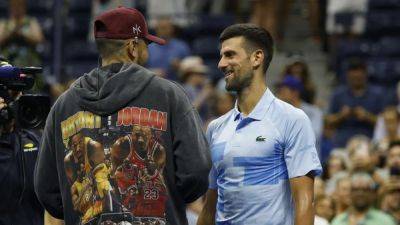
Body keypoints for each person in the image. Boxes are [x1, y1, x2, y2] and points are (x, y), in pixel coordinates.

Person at [34, 7, 211, 225]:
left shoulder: (63, 105)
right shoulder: (169, 95)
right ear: (133, 47)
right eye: (147, 44)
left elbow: (46, 190)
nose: (149, 51)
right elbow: (196, 173)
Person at [197, 24, 322, 225]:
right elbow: (210, 206)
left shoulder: (292, 120)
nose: (221, 64)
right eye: (221, 56)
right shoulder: (215, 128)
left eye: (230, 55)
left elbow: (305, 202)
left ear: (257, 58)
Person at [326, 59, 384, 147]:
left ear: (365, 75)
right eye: (353, 78)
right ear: (348, 76)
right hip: (342, 142)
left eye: (359, 78)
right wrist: (341, 115)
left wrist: (367, 116)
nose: (356, 79)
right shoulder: (338, 94)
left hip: (370, 141)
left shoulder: (377, 95)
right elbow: (328, 122)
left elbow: (385, 122)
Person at [331, 173, 396, 225]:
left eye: (365, 190)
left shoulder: (385, 221)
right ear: (350, 193)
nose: (360, 193)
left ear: (372, 194)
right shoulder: (338, 221)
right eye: (356, 190)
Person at [277, 75, 323, 146]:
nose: (280, 93)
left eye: (284, 90)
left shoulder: (314, 111)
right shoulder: (279, 112)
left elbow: (315, 136)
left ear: (295, 92)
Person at [0, 0, 44, 67]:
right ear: (10, 8)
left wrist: (22, 35)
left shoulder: (31, 21)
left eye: (20, 6)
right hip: (8, 61)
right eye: (14, 6)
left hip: (28, 60)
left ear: (24, 7)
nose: (17, 9)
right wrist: (10, 34)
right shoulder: (4, 23)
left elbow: (39, 39)